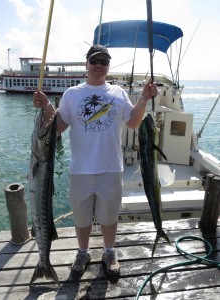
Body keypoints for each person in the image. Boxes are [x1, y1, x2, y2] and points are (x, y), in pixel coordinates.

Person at [33, 44, 158, 278]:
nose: (99, 66)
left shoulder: (118, 93)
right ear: (86, 64)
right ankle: (83, 252)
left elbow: (132, 122)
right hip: (79, 170)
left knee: (109, 218)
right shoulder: (72, 93)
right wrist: (47, 105)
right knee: (81, 219)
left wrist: (143, 97)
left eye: (104, 62)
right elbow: (59, 127)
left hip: (111, 169)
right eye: (95, 61)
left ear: (108, 67)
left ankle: (109, 252)